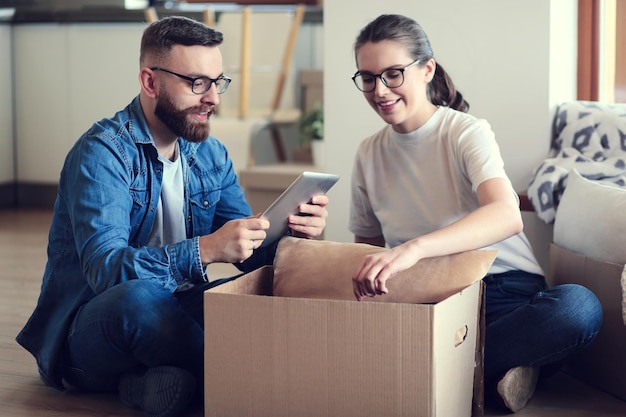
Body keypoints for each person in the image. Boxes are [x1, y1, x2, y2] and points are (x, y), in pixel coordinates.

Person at [16, 15, 329, 417]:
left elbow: (251, 255)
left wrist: (295, 232)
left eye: (218, 82)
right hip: (91, 332)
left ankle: (147, 384)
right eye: (197, 83)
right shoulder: (102, 154)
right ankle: (242, 379)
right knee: (138, 297)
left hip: (171, 315)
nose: (213, 97)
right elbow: (106, 271)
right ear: (150, 82)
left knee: (251, 290)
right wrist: (206, 249)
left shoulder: (210, 154)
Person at [348, 14, 602, 413]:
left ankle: (452, 369)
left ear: (427, 69)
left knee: (576, 308)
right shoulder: (368, 152)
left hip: (504, 290)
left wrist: (414, 249)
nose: (380, 90)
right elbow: (366, 246)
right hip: (427, 297)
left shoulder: (466, 131)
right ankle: (497, 371)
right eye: (367, 77)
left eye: (393, 74)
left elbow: (506, 214)